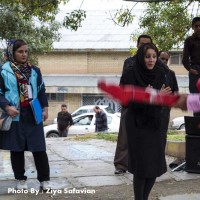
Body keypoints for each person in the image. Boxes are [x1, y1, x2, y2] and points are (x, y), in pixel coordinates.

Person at [120, 43, 171, 200]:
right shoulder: (130, 73)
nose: (151, 60)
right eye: (147, 56)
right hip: (137, 124)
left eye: (154, 56)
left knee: (154, 165)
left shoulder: (160, 72)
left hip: (155, 122)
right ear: (141, 57)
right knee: (142, 166)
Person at [0, 39, 50, 190]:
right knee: (17, 149)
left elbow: (41, 90)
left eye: (26, 51)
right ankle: (21, 180)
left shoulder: (34, 70)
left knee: (39, 148)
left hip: (33, 113)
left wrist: (45, 108)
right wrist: (7, 107)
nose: (24, 54)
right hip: (15, 114)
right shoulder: (3, 71)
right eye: (20, 51)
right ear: (12, 53)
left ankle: (44, 180)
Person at [114, 35, 152, 175]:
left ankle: (143, 164)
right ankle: (121, 165)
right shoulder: (129, 62)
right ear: (137, 45)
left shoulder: (154, 62)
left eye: (147, 44)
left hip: (147, 105)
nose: (143, 47)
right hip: (130, 103)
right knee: (124, 134)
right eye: (141, 44)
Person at [158, 51, 179, 147]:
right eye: (162, 58)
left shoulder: (171, 73)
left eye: (166, 59)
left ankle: (161, 158)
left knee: (162, 134)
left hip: (165, 109)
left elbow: (175, 91)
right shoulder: (151, 72)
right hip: (152, 108)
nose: (164, 61)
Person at [182, 16, 200, 116]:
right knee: (196, 98)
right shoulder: (189, 40)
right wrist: (190, 69)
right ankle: (197, 126)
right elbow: (185, 58)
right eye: (196, 26)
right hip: (195, 70)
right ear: (193, 27)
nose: (198, 28)